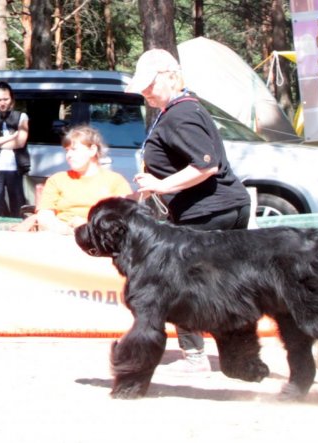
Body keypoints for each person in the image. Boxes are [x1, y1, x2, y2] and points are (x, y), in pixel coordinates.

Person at [126, 48, 251, 373]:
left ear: (170, 77)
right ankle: (245, 353)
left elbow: (205, 165)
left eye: (149, 84)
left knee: (179, 282)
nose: (145, 92)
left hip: (207, 212)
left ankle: (195, 356)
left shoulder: (181, 114)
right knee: (230, 286)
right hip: (220, 207)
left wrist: (161, 185)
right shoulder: (182, 109)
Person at [36, 125, 133, 235]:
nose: (69, 155)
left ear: (92, 150)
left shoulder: (116, 181)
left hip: (100, 238)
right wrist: (67, 230)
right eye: (67, 151)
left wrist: (87, 227)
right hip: (62, 236)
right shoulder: (57, 180)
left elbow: (125, 218)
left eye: (74, 149)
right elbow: (44, 216)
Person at [0, 81, 30, 217]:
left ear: (12, 99)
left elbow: (20, 142)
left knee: (18, 207)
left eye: (5, 99)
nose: (2, 103)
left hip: (16, 169)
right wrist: (11, 137)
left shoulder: (22, 117)